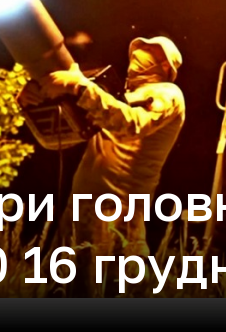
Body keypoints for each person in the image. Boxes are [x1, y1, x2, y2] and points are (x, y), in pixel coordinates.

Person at [42, 36, 185, 295]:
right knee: (61, 288)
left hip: (117, 210)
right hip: (82, 207)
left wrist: (81, 88)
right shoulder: (120, 97)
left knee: (113, 288)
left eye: (149, 51)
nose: (138, 55)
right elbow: (64, 133)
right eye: (138, 49)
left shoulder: (168, 94)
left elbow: (132, 124)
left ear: (166, 65)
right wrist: (41, 95)